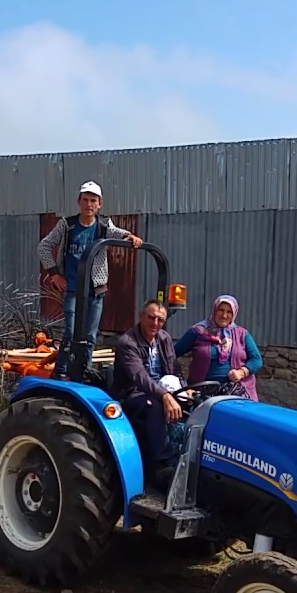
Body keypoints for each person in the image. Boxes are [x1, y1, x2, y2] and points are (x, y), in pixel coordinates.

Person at [37, 181, 144, 379]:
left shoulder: (103, 225)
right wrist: (54, 274)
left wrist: (130, 236)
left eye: (93, 200)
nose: (89, 204)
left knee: (90, 336)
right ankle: (60, 373)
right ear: (79, 202)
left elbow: (118, 233)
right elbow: (44, 247)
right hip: (73, 289)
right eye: (85, 200)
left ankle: (83, 373)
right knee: (71, 333)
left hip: (95, 291)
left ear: (99, 204)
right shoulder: (67, 225)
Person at [111, 300, 186, 477]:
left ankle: (187, 454)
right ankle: (161, 464)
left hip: (163, 388)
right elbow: (140, 378)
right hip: (133, 393)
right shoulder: (127, 342)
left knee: (197, 403)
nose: (155, 323)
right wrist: (166, 396)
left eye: (160, 320)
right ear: (141, 316)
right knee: (156, 406)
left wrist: (185, 389)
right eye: (151, 317)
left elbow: (175, 369)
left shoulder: (164, 338)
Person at [174, 294, 263, 400]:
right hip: (203, 390)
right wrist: (182, 384)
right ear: (215, 310)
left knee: (238, 414)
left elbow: (256, 359)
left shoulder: (241, 334)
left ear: (234, 314)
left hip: (236, 389)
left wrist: (242, 372)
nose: (224, 315)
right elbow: (172, 354)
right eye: (221, 310)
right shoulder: (198, 332)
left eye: (229, 312)